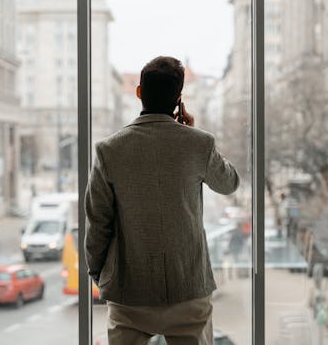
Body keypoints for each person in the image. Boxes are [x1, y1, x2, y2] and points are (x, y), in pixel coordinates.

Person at [84, 56, 240, 345]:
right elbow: (230, 183)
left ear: (139, 92)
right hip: (188, 288)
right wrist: (192, 132)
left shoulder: (109, 150)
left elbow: (97, 223)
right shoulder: (198, 144)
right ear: (179, 98)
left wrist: (99, 274)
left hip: (129, 290)